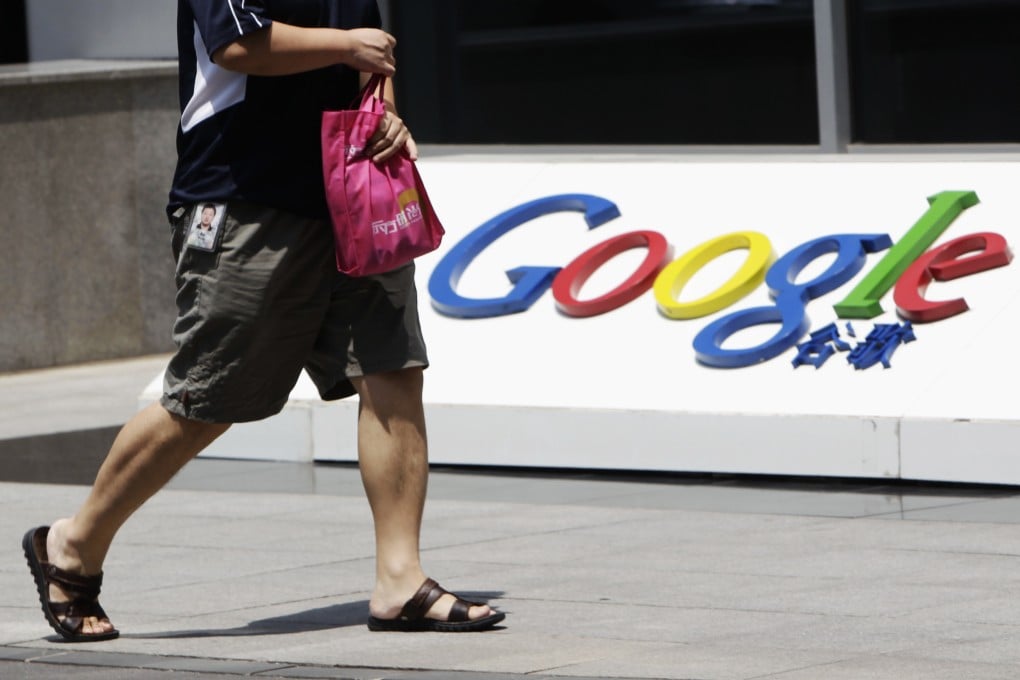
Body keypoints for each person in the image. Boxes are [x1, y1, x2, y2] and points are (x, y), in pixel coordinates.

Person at [22, 0, 504, 641]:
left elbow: (369, 57)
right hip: (243, 196)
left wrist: (385, 115)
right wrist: (347, 46)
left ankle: (400, 580)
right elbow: (237, 44)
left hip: (352, 186)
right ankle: (73, 546)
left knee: (392, 368)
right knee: (209, 393)